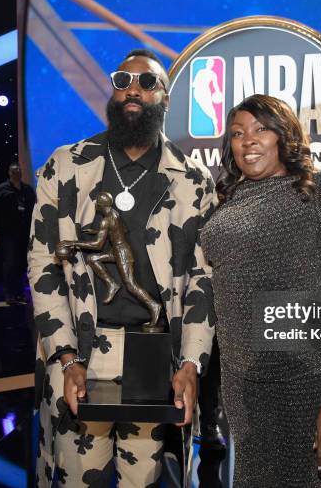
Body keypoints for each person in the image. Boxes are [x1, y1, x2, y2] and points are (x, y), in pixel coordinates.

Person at [28, 49, 216, 487]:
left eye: (147, 82)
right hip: (82, 351)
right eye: (123, 79)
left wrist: (190, 364)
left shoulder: (192, 181)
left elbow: (202, 280)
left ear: (166, 99)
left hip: (155, 357)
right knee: (76, 477)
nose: (133, 88)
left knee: (143, 479)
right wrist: (66, 355)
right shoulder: (67, 165)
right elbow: (44, 263)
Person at [200, 94, 321, 487]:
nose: (248, 140)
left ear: (284, 135)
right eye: (237, 133)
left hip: (301, 387)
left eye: (261, 129)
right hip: (244, 394)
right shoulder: (229, 201)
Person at [0, 163, 36, 304]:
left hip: (24, 232)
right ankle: (9, 293)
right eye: (14, 171)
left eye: (19, 171)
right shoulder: (2, 190)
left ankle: (20, 293)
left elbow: (35, 210)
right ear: (9, 173)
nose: (17, 173)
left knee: (22, 263)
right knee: (10, 263)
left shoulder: (27, 190)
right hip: (8, 233)